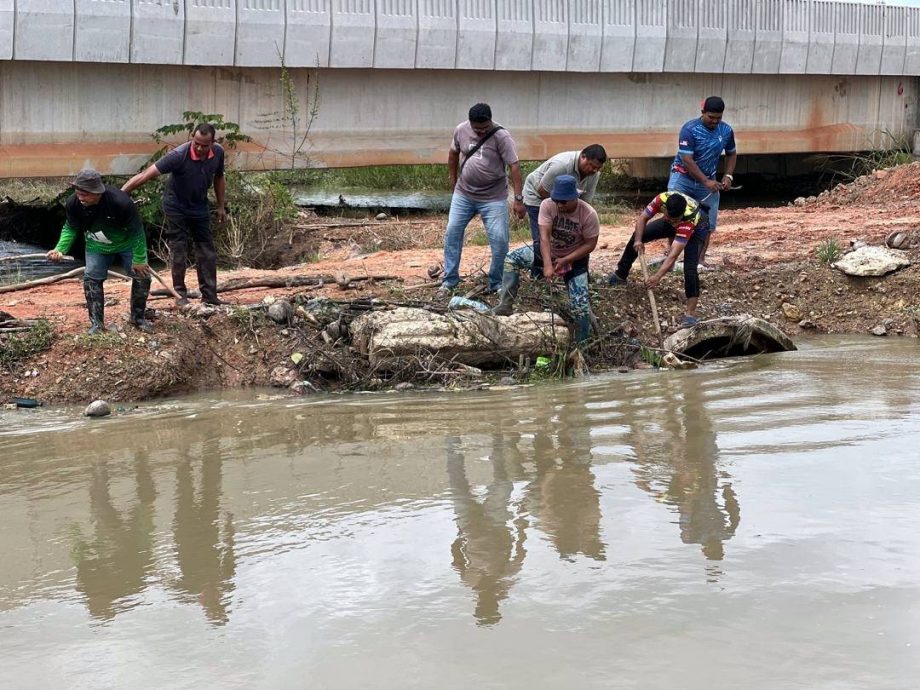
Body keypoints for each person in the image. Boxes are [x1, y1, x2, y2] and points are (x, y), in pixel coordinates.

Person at [122, 123, 227, 305]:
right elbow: (147, 174)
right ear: (192, 138)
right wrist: (121, 194)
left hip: (199, 205)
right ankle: (180, 295)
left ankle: (210, 296)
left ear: (212, 142)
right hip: (176, 205)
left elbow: (219, 177)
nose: (200, 148)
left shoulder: (218, 152)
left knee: (206, 250)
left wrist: (221, 206)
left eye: (205, 145)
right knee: (179, 249)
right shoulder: (179, 155)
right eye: (197, 144)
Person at [493, 175, 599, 345]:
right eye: (557, 200)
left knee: (580, 307)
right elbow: (544, 237)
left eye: (564, 202)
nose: (559, 205)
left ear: (575, 198)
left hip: (575, 258)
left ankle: (582, 345)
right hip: (548, 251)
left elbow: (590, 244)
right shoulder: (547, 205)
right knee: (511, 259)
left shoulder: (588, 214)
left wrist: (566, 260)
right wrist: (548, 265)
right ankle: (505, 304)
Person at [47, 169, 153, 334]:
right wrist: (60, 249)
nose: (81, 198)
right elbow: (71, 228)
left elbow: (137, 232)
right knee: (91, 279)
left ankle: (138, 318)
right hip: (97, 245)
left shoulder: (120, 202)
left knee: (143, 276)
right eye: (78, 192)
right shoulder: (73, 203)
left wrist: (139, 259)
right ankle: (97, 324)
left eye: (85, 194)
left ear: (98, 193)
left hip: (126, 243)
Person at [439, 103, 525, 296]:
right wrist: (453, 184)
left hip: (493, 197)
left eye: (484, 128)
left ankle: (496, 282)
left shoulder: (502, 137)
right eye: (477, 129)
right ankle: (449, 280)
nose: (480, 132)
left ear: (490, 121)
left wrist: (518, 199)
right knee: (452, 232)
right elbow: (453, 154)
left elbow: (515, 167)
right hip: (464, 194)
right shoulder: (461, 130)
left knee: (500, 240)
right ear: (470, 124)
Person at [607, 191, 708, 329]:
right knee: (639, 233)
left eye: (674, 221)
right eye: (668, 217)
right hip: (674, 218)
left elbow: (673, 254)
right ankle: (620, 274)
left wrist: (657, 276)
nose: (672, 222)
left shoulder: (688, 220)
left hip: (698, 227)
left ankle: (690, 313)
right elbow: (642, 218)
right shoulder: (661, 199)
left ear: (680, 216)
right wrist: (638, 240)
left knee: (690, 268)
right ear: (665, 210)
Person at [669, 96, 736, 266]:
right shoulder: (689, 129)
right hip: (682, 177)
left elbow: (731, 153)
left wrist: (728, 176)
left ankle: (699, 260)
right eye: (711, 117)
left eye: (718, 118)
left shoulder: (726, 131)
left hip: (708, 180)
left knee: (707, 222)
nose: (714, 121)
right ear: (703, 113)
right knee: (673, 214)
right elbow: (687, 159)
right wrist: (705, 181)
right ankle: (671, 258)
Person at [522, 145, 606, 258]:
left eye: (597, 168)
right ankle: (540, 271)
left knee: (570, 238)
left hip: (565, 202)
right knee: (542, 238)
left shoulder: (594, 173)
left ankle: (567, 268)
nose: (594, 170)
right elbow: (542, 190)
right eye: (591, 166)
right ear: (583, 156)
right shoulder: (562, 165)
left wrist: (574, 214)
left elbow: (586, 202)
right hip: (537, 196)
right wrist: (562, 209)